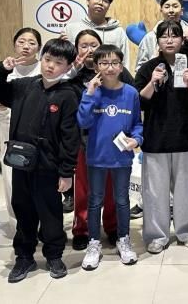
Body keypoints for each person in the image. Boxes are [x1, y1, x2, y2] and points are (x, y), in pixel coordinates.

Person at [0, 39, 80, 283]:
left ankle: (54, 255)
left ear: (68, 66)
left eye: (58, 63)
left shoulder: (69, 95)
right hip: (21, 162)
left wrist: (66, 172)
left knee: (50, 214)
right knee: (23, 211)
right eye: (47, 59)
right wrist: (1, 69)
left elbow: (70, 137)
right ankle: (24, 256)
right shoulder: (23, 86)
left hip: (49, 167)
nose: (50, 66)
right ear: (41, 58)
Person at [134, 21, 188, 254]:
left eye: (175, 36)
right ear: (158, 41)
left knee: (187, 190)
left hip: (187, 137)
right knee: (155, 192)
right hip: (156, 138)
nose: (170, 40)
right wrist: (152, 81)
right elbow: (139, 102)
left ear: (183, 40)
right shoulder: (148, 68)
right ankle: (156, 235)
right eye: (164, 36)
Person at [77, 44, 143, 269]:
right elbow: (83, 122)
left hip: (122, 158)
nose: (110, 67)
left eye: (115, 62)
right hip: (96, 157)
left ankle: (123, 239)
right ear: (96, 67)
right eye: (104, 63)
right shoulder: (91, 91)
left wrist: (137, 140)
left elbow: (137, 124)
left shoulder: (131, 93)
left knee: (122, 200)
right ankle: (93, 242)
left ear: (121, 66)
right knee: (95, 201)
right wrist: (90, 94)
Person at [68, 30, 135, 250]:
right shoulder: (73, 75)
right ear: (76, 49)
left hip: (114, 144)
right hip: (84, 142)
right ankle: (82, 230)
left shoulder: (117, 72)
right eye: (84, 45)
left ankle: (113, 227)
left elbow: (131, 100)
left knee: (112, 190)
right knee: (85, 191)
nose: (89, 50)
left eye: (93, 45)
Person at [0, 27, 41, 231]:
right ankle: (19, 225)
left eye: (32, 43)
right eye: (21, 41)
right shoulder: (5, 71)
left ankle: (41, 223)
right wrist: (1, 107)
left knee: (39, 182)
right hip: (10, 133)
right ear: (14, 44)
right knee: (11, 179)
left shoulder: (44, 69)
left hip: (38, 134)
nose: (26, 46)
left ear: (38, 47)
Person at [63, 0, 130, 65]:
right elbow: (63, 59)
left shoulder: (118, 32)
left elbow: (124, 62)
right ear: (88, 0)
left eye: (106, 1)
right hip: (78, 73)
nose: (101, 3)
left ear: (109, 6)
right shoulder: (71, 29)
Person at [134, 0, 188, 72]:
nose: (171, 10)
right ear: (161, 10)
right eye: (167, 7)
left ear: (182, 11)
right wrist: (154, 61)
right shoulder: (150, 38)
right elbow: (139, 69)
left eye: (175, 6)